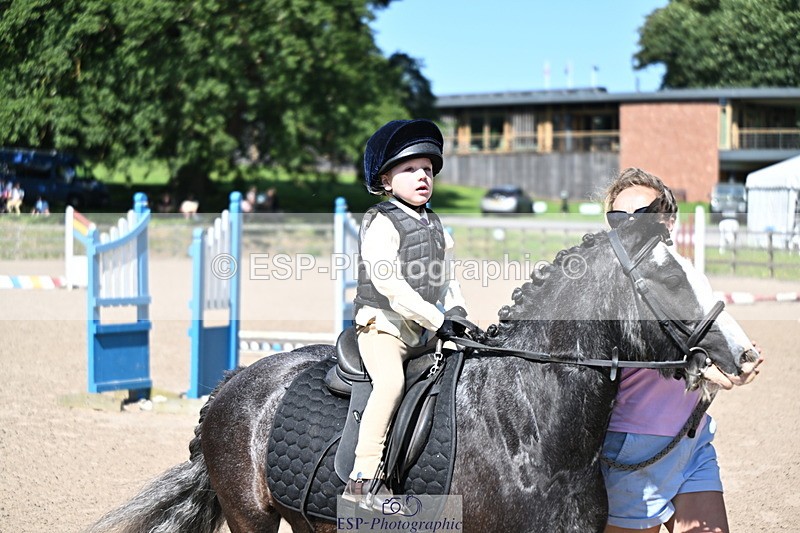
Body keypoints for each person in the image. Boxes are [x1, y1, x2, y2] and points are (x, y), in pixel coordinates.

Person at [601, 167, 764, 533]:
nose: (629, 225)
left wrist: (737, 356)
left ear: (668, 220)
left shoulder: (688, 275)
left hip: (693, 438)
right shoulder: (615, 283)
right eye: (618, 217)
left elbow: (711, 332)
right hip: (636, 446)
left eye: (641, 215)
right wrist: (700, 366)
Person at [342, 119, 468, 511]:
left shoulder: (434, 223)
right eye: (410, 169)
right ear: (385, 180)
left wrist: (459, 312)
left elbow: (445, 279)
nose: (422, 177)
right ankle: (362, 479)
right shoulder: (382, 220)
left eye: (428, 170)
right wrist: (436, 318)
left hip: (423, 330)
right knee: (392, 384)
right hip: (383, 329)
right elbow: (389, 283)